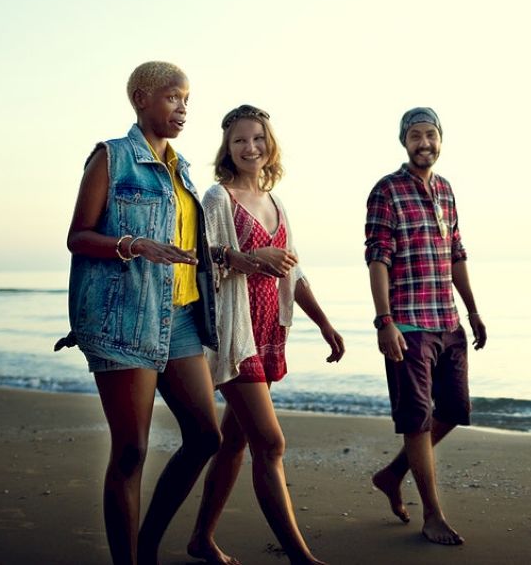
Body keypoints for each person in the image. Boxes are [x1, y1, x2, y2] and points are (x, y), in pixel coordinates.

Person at [61, 62, 221, 565]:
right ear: (141, 97)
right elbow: (78, 237)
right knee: (130, 453)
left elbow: (194, 249)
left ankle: (146, 544)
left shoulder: (183, 168)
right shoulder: (112, 158)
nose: (183, 108)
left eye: (187, 100)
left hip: (180, 319)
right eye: (173, 97)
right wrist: (133, 245)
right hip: (124, 319)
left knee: (204, 437)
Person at [188, 104, 345, 565]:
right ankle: (300, 557)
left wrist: (324, 323)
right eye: (239, 140)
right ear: (227, 147)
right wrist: (252, 257)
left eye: (257, 138)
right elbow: (204, 258)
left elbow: (292, 274)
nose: (249, 147)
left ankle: (201, 538)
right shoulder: (218, 198)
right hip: (236, 337)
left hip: (269, 333)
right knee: (271, 443)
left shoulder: (277, 204)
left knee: (236, 440)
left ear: (269, 144)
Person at [365, 107, 487, 546]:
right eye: (415, 135)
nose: (424, 143)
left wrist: (472, 310)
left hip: (447, 320)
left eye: (431, 135)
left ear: (441, 140)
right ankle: (432, 515)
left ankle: (392, 474)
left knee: (453, 410)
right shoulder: (387, 191)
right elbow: (377, 258)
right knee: (417, 419)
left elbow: (457, 253)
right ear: (404, 141)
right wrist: (385, 322)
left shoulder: (447, 191)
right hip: (409, 324)